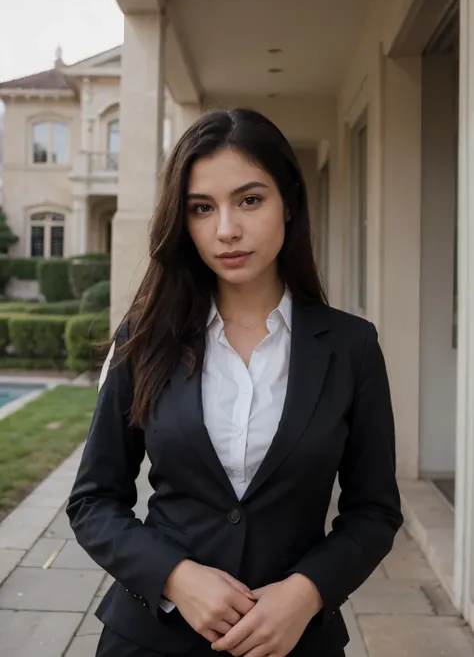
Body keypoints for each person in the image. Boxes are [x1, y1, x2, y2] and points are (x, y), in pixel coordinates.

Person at [67, 108, 403, 657]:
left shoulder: (351, 346)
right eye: (202, 208)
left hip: (296, 642)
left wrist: (307, 592)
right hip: (152, 638)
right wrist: (176, 577)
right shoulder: (148, 338)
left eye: (250, 200)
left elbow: (375, 511)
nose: (226, 229)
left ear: (288, 202)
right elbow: (93, 501)